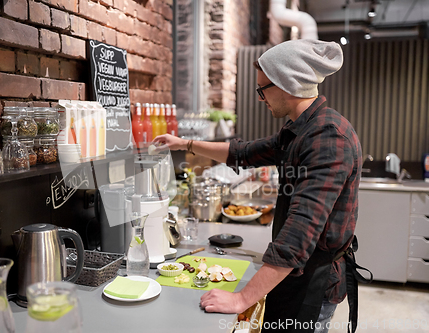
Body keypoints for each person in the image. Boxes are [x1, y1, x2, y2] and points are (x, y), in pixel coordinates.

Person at [152, 39, 362, 333]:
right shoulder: (300, 129)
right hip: (294, 274)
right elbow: (244, 152)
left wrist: (242, 299)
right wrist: (184, 143)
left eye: (263, 88)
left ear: (288, 84)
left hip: (315, 279)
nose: (260, 97)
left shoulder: (327, 138)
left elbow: (299, 235)